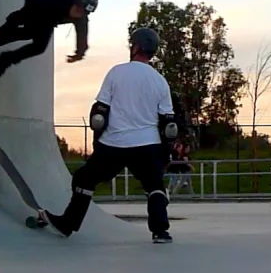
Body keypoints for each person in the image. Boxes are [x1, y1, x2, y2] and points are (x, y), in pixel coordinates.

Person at [38, 27, 178, 243]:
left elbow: (99, 113)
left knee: (85, 178)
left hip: (114, 143)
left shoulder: (116, 72)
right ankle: (161, 232)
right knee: (154, 185)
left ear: (136, 46)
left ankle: (68, 223)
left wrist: (97, 142)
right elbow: (169, 125)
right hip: (148, 144)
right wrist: (165, 154)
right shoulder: (160, 81)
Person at [0, 0, 98, 79]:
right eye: (77, 9)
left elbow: (82, 36)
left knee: (39, 47)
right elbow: (18, 17)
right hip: (37, 2)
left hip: (49, 19)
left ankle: (4, 60)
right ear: (73, 1)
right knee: (27, 32)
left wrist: (79, 54)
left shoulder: (81, 18)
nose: (77, 14)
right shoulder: (55, 0)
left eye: (82, 13)